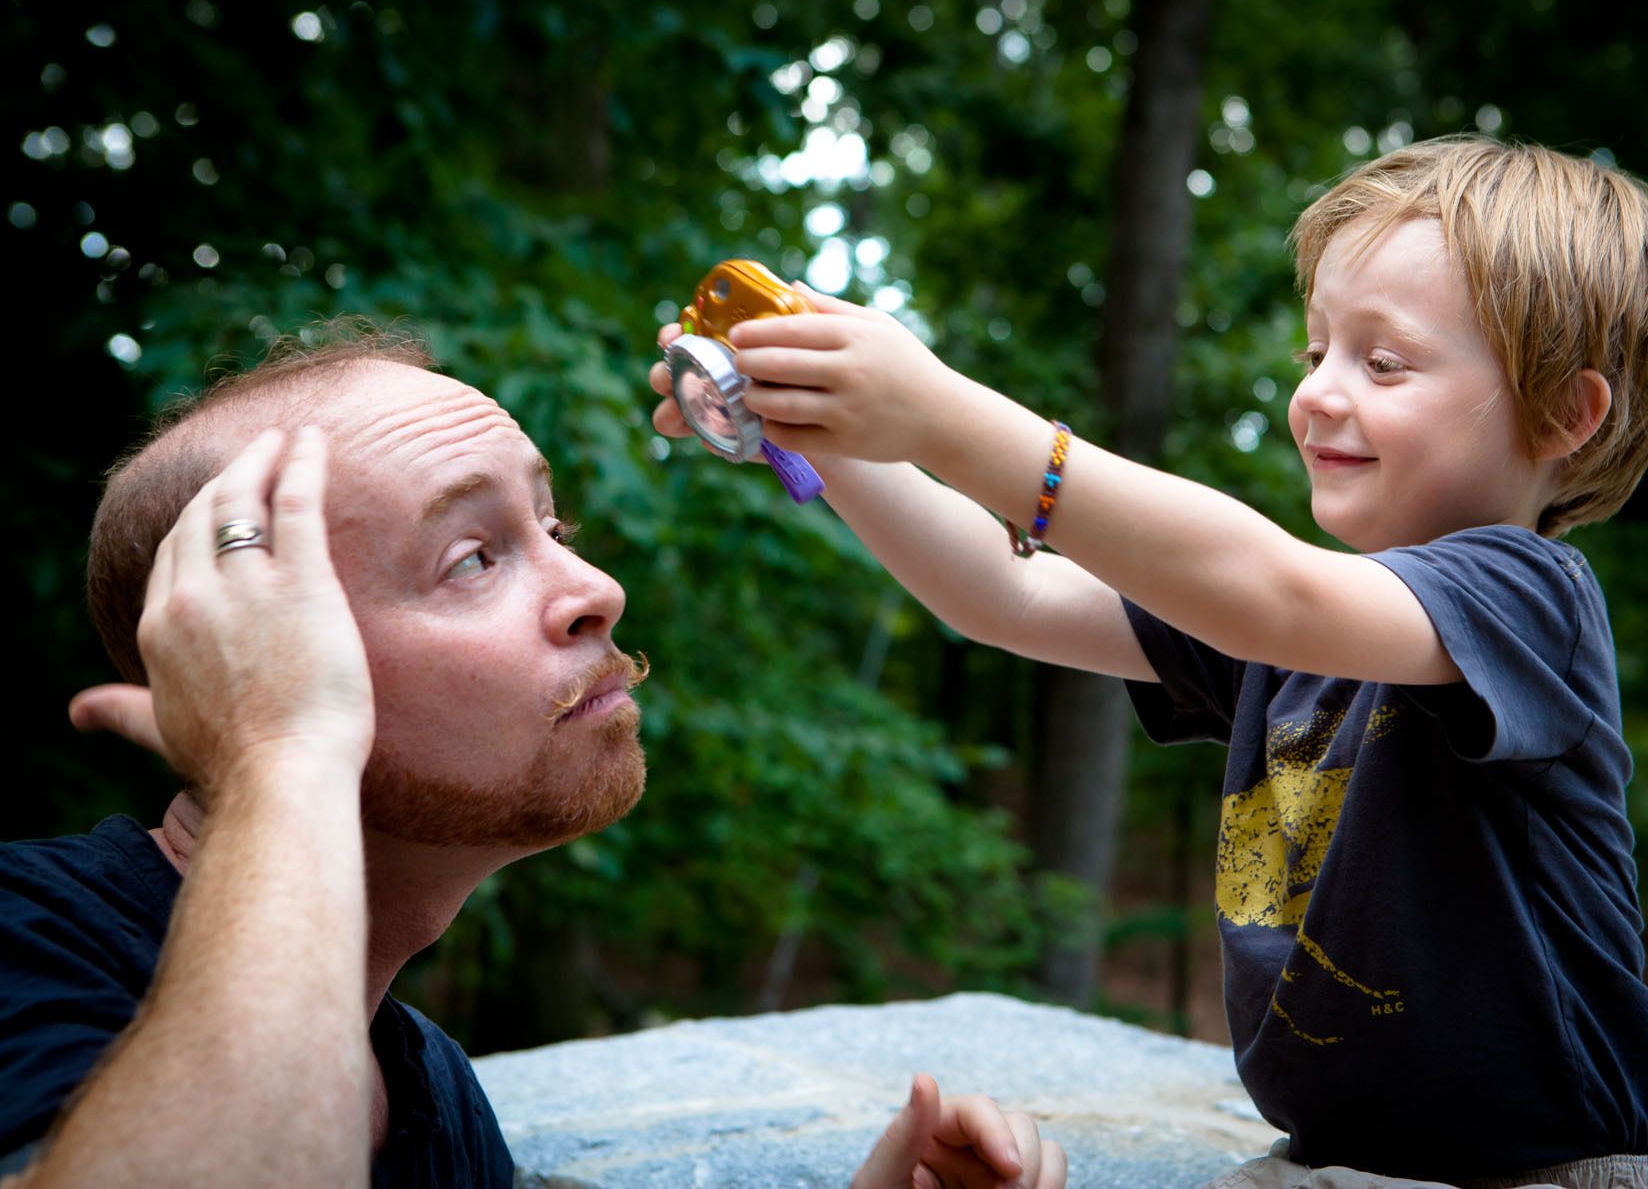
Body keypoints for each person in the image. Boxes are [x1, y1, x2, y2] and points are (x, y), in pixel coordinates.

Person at [650, 135, 1648, 1187]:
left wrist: (941, 412)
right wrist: (827, 434)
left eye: (1383, 362)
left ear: (1567, 414)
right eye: (1316, 353)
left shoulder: (1529, 600)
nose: (1321, 395)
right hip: (1335, 1163)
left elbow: (1269, 589)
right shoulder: (1289, 640)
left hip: (1551, 1172)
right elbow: (1006, 592)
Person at [0, 331, 1067, 1189]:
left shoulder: (432, 1093)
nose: (596, 587)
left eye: (554, 523)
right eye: (474, 556)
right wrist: (282, 750)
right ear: (234, 653)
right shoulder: (24, 938)